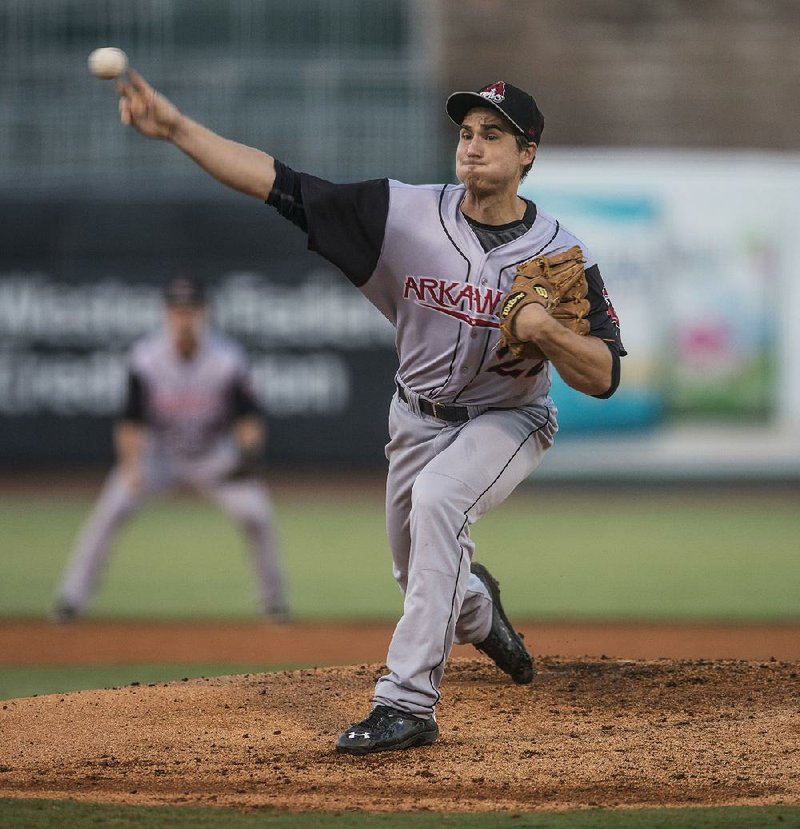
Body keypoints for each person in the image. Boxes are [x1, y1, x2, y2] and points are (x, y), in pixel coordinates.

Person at [113, 72, 625, 754]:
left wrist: (551, 333)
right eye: (466, 133)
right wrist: (176, 128)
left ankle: (407, 703)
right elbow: (282, 185)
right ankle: (477, 605)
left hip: (509, 419)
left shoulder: (561, 255)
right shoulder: (403, 214)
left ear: (527, 152)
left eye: (492, 135)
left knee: (442, 500)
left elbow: (606, 376)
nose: (472, 146)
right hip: (415, 418)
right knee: (418, 572)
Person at [54, 275, 289, 623]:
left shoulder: (227, 358)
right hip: (158, 454)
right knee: (110, 508)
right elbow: (131, 421)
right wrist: (132, 469)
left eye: (191, 309)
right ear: (166, 313)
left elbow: (248, 418)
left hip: (212, 454)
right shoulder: (146, 357)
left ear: (204, 312)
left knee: (256, 514)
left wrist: (248, 453)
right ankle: (71, 599)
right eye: (177, 309)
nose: (184, 316)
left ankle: (274, 604)